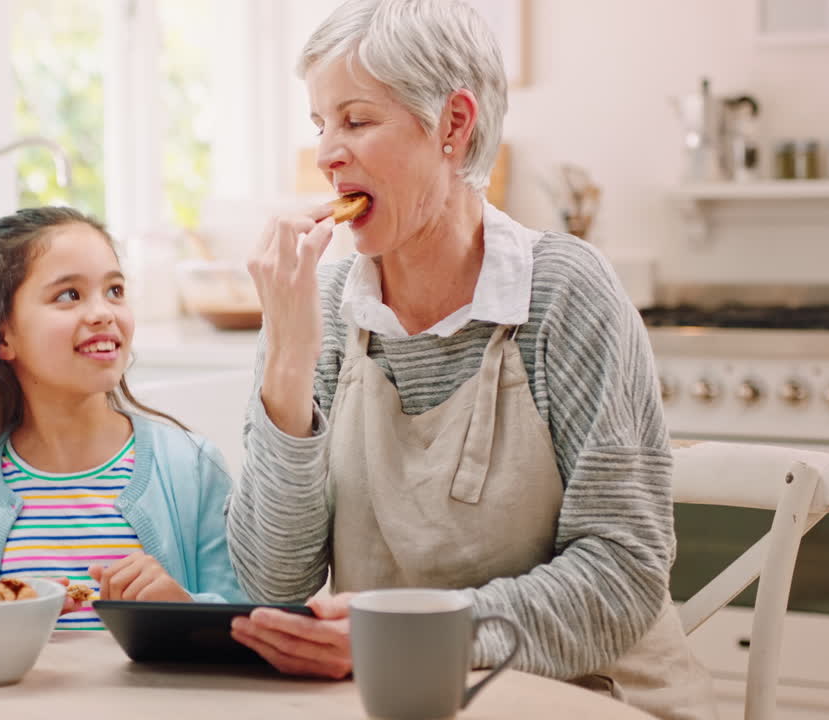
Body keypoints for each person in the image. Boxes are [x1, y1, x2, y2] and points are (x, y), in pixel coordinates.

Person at [223, 1, 715, 718]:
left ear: (454, 124)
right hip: (401, 697)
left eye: (356, 120)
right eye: (320, 124)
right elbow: (273, 584)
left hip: (592, 698)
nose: (328, 152)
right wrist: (288, 359)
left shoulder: (565, 294)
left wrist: (416, 633)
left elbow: (622, 577)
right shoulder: (318, 307)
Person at [0, 207, 245, 631]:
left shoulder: (193, 466)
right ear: (3, 337)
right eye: (69, 295)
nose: (102, 312)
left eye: (114, 290)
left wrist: (179, 607)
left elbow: (241, 625)